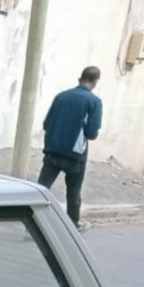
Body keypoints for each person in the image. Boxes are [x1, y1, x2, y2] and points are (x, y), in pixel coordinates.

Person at [38, 66, 103, 229]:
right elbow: (92, 133)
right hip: (75, 156)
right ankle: (72, 225)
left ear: (80, 78)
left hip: (53, 151)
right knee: (73, 192)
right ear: (95, 82)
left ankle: (32, 221)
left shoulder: (61, 97)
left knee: (41, 188)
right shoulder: (94, 102)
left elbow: (46, 124)